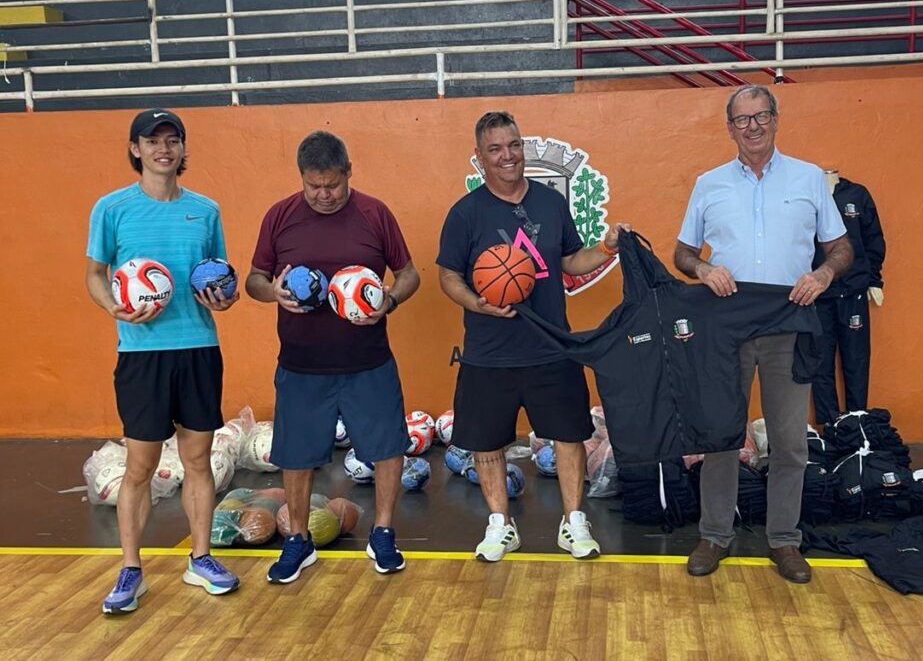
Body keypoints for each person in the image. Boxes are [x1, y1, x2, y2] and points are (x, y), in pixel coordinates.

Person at [673, 86, 853, 584]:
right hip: (725, 327)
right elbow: (682, 253)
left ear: (776, 119)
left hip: (787, 322)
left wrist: (823, 274)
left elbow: (841, 247)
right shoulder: (709, 184)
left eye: (760, 116)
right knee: (721, 436)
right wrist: (703, 268)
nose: (752, 126)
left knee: (790, 441)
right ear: (729, 128)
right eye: (742, 119)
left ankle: (784, 540)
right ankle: (714, 535)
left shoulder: (809, 178)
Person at [437, 111, 628, 562]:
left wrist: (606, 249)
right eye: (495, 149)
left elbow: (570, 262)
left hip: (550, 344)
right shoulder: (465, 213)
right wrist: (477, 302)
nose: (507, 156)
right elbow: (448, 276)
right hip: (488, 351)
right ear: (480, 157)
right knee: (487, 443)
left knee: (569, 436)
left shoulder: (550, 202)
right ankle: (500, 524)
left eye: (514, 145)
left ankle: (573, 522)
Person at [85, 108, 241, 614]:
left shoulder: (205, 210)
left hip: (197, 349)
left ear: (182, 149)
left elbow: (218, 276)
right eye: (152, 141)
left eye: (172, 140)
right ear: (136, 149)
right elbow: (95, 274)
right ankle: (131, 570)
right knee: (140, 466)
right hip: (141, 354)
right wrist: (113, 307)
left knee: (198, 461)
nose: (163, 149)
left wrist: (224, 299)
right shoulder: (112, 208)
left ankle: (201, 559)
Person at [246, 131, 420, 582]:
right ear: (302, 178)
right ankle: (298, 541)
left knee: (388, 449)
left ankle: (383, 533)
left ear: (348, 173)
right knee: (297, 457)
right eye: (314, 186)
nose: (324, 194)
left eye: (333, 185)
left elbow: (408, 274)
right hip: (302, 365)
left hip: (369, 361)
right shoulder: (280, 216)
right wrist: (273, 292)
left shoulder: (375, 214)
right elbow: (254, 280)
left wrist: (390, 300)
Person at [812, 171, 887, 425]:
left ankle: (857, 423)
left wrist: (874, 280)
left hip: (854, 291)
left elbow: (873, 238)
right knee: (820, 362)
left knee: (856, 359)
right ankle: (830, 426)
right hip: (817, 295)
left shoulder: (857, 195)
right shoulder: (808, 195)